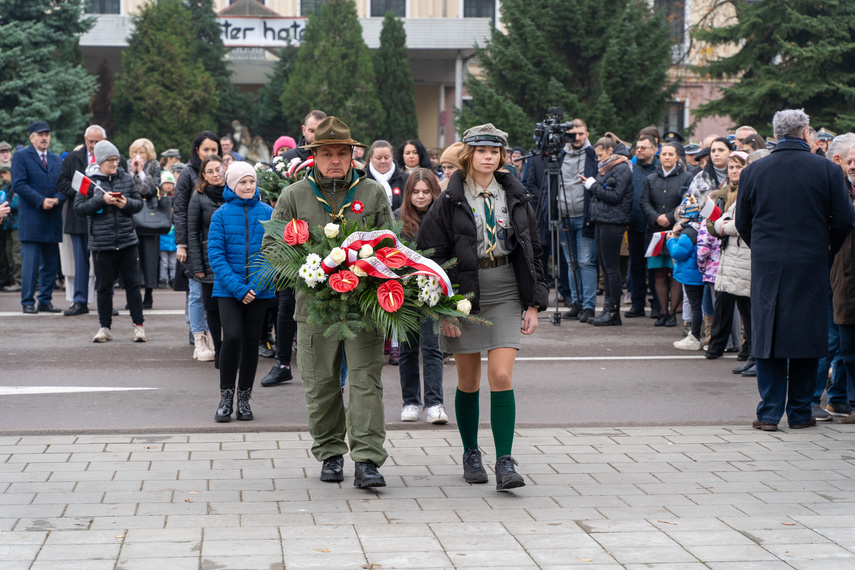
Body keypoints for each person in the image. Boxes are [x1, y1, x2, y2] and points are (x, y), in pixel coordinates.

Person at [263, 116, 394, 488]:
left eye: (342, 153)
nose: (335, 160)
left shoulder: (370, 192)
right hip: (315, 307)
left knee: (367, 382)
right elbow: (272, 248)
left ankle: (367, 460)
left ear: (353, 155)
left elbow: (391, 245)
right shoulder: (294, 196)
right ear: (314, 155)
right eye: (327, 153)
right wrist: (306, 271)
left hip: (363, 307)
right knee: (321, 385)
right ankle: (331, 454)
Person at [418, 123, 548, 491]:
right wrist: (443, 310)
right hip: (464, 294)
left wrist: (534, 304)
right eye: (482, 151)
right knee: (469, 381)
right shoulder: (449, 199)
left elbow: (533, 250)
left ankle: (504, 461)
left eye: (495, 151)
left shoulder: (516, 195)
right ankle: (471, 452)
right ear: (468, 155)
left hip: (507, 288)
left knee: (502, 377)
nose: (489, 157)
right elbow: (430, 256)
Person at [736, 109, 855, 431]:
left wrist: (762, 247)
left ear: (775, 134)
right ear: (806, 134)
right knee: (806, 336)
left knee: (768, 338)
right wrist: (825, 248)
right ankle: (801, 413)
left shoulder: (753, 171)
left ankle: (769, 413)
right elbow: (844, 219)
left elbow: (742, 222)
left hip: (768, 264)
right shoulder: (827, 171)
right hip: (811, 261)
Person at [207, 162, 274, 422]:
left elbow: (272, 254)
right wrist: (239, 288)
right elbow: (216, 255)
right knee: (232, 337)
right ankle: (226, 397)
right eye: (242, 182)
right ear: (232, 185)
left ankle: (244, 399)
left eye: (251, 182)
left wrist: (255, 286)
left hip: (259, 291)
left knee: (250, 341)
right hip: (228, 290)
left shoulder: (268, 212)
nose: (248, 187)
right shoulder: (221, 215)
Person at [524, 118, 597, 322]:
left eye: (581, 133)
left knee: (585, 261)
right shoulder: (561, 155)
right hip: (563, 216)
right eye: (573, 134)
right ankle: (576, 302)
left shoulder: (593, 155)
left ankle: (589, 306)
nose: (577, 138)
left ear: (587, 134)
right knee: (571, 262)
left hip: (584, 217)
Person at [73, 140, 146, 342]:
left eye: (116, 159)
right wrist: (101, 200)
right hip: (102, 243)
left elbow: (138, 204)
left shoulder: (126, 178)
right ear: (100, 161)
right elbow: (78, 209)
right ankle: (104, 327)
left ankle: (139, 326)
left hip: (127, 240)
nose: (115, 164)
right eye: (110, 161)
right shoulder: (89, 180)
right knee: (104, 287)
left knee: (132, 285)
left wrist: (125, 203)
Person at [394, 168, 446, 423]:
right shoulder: (397, 219)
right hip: (404, 294)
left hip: (434, 294)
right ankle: (411, 402)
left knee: (432, 349)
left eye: (426, 192)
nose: (421, 196)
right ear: (408, 194)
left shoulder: (443, 218)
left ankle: (435, 403)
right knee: (407, 349)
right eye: (415, 192)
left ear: (434, 192)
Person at [57, 126, 117, 316]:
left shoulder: (113, 158)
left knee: (104, 262)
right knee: (80, 262)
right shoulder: (72, 158)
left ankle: (106, 302)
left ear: (105, 139)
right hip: (79, 216)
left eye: (97, 142)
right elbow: (62, 183)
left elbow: (119, 181)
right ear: (84, 138)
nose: (92, 145)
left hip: (104, 217)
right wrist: (84, 191)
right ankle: (80, 302)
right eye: (89, 141)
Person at [174, 132, 222, 355]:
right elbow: (181, 211)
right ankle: (198, 335)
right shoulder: (188, 174)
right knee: (195, 292)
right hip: (194, 243)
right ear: (196, 151)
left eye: (214, 150)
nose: (210, 154)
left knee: (214, 294)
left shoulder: (222, 172)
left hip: (218, 245)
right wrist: (181, 243)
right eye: (206, 150)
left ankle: (212, 333)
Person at [11, 121, 65, 314]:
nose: (44, 138)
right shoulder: (21, 157)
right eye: (40, 134)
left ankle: (45, 300)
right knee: (31, 264)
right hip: (32, 217)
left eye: (47, 134)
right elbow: (18, 184)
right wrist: (41, 200)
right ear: (31, 137)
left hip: (52, 217)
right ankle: (27, 301)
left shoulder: (57, 160)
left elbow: (64, 185)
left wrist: (57, 200)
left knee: (50, 264)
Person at [581, 134, 633, 326]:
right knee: (606, 266)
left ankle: (613, 312)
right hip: (603, 220)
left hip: (614, 221)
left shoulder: (620, 167)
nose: (598, 159)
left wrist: (592, 185)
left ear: (611, 151)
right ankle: (607, 310)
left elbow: (615, 196)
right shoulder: (609, 167)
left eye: (601, 154)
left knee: (611, 269)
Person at [705, 152, 751, 364]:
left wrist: (723, 226)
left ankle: (749, 348)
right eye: (731, 167)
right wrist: (718, 226)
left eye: (739, 167)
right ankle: (716, 345)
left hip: (744, 255)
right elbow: (712, 222)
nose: (734, 171)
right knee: (723, 303)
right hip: (726, 253)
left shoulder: (750, 190)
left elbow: (744, 223)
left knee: (745, 305)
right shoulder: (722, 193)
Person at [640, 142, 693, 327]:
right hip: (655, 232)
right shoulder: (651, 178)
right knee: (659, 274)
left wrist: (670, 217)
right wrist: (657, 217)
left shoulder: (687, 177)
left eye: (671, 154)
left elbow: (688, 201)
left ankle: (672, 313)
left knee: (675, 272)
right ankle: (662, 312)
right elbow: (644, 202)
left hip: (677, 232)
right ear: (659, 156)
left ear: (678, 157)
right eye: (664, 154)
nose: (667, 157)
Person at [187, 154, 226, 364]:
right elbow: (193, 233)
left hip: (230, 258)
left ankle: (228, 348)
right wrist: (197, 266)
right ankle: (217, 349)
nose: (215, 174)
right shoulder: (198, 196)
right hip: (207, 258)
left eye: (218, 169)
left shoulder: (232, 192)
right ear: (203, 175)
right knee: (211, 307)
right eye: (210, 171)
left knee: (228, 306)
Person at [831, 143, 855, 424]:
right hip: (843, 283)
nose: (852, 166)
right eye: (850, 161)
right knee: (847, 352)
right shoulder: (838, 193)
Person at [627, 135, 661, 318]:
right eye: (637, 147)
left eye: (643, 148)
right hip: (635, 225)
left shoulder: (660, 168)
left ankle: (657, 303)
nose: (639, 150)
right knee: (636, 267)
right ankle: (637, 303)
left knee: (655, 268)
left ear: (655, 149)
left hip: (655, 226)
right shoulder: (631, 169)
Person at [667, 193, 705, 350]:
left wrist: (671, 240)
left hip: (691, 275)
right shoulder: (700, 228)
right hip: (701, 274)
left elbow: (678, 253)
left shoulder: (686, 234)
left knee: (695, 306)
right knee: (702, 306)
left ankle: (695, 336)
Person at [128, 138, 161, 310]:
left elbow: (149, 189)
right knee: (132, 257)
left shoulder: (154, 166)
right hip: (131, 215)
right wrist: (132, 172)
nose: (138, 155)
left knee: (149, 256)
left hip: (150, 216)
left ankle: (148, 293)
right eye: (135, 152)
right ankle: (133, 294)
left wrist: (141, 173)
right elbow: (127, 188)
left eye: (142, 152)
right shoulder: (126, 166)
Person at [365, 140, 409, 212]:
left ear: (392, 157)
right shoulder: (361, 178)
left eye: (386, 157)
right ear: (371, 158)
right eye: (378, 158)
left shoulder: (405, 179)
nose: (383, 161)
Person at [0, 158, 21, 292]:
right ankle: (13, 279)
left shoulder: (16, 185)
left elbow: (16, 204)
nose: (2, 177)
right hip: (9, 225)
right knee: (9, 254)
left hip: (16, 224)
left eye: (3, 174)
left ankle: (19, 281)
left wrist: (4, 205)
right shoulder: (7, 187)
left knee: (16, 253)